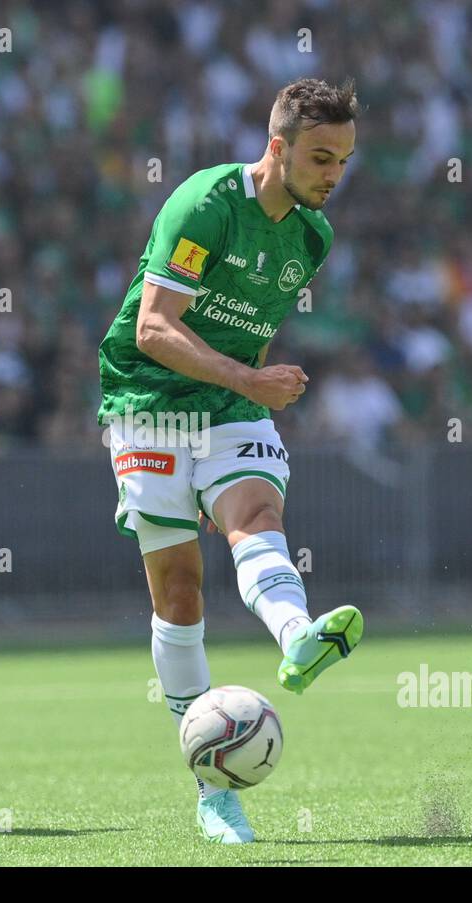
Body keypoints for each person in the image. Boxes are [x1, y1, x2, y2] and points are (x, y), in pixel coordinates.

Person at [96, 78, 363, 844]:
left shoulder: (313, 236)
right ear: (276, 146)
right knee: (180, 592)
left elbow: (245, 325)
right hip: (149, 401)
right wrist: (252, 379)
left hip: (230, 407)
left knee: (255, 512)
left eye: (343, 161)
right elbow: (153, 327)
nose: (331, 175)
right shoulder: (205, 203)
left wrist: (249, 387)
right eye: (319, 157)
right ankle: (213, 790)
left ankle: (298, 637)